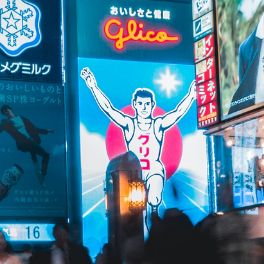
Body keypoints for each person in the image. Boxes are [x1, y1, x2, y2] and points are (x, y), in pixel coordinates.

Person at [79, 69, 196, 228]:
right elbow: (109, 109)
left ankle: (153, 216)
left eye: (147, 104)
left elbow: (178, 113)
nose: (143, 107)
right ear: (134, 104)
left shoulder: (158, 124)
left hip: (154, 169)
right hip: (134, 173)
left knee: (154, 198)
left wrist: (190, 96)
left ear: (152, 105)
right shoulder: (129, 124)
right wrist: (93, 87)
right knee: (132, 211)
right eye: (140, 103)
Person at [0, 105, 52, 183]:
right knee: (39, 153)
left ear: (11, 109)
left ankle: (41, 173)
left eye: (7, 110)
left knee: (39, 155)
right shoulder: (6, 123)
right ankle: (40, 173)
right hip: (24, 144)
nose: (6, 112)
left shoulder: (20, 118)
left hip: (31, 140)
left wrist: (46, 131)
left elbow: (33, 128)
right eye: (4, 112)